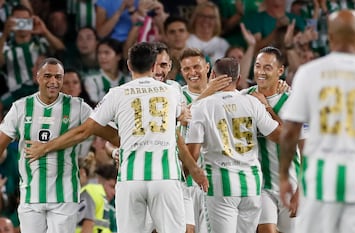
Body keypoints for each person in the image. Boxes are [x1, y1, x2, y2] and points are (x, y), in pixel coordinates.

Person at [24, 42, 208, 233]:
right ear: (154, 66)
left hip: (130, 179)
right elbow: (175, 129)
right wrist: (194, 167)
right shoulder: (172, 91)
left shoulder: (117, 93)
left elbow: (84, 130)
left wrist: (44, 147)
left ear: (129, 65)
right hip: (165, 177)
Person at [279, 9, 355, 233]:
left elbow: (289, 132)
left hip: (321, 179)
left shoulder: (309, 73)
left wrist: (284, 176)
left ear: (331, 37)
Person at [0, 57, 98, 233]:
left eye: (58, 77)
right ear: (37, 77)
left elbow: (105, 130)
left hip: (65, 196)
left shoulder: (79, 107)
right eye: (47, 76)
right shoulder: (20, 107)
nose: (53, 81)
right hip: (31, 196)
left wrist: (117, 148)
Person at [186, 57, 281, 233]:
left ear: (212, 75)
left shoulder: (202, 106)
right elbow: (278, 136)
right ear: (238, 78)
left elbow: (193, 154)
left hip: (220, 184)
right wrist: (267, 108)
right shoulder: (252, 102)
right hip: (252, 184)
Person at [242, 46, 303, 233]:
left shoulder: (294, 101)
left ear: (280, 70)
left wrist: (301, 191)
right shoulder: (244, 98)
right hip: (260, 184)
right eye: (258, 66)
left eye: (267, 68)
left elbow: (302, 146)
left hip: (291, 183)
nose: (260, 72)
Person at [76, 163, 117, 233]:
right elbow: (88, 225)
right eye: (112, 186)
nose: (114, 192)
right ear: (100, 180)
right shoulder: (93, 192)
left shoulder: (95, 194)